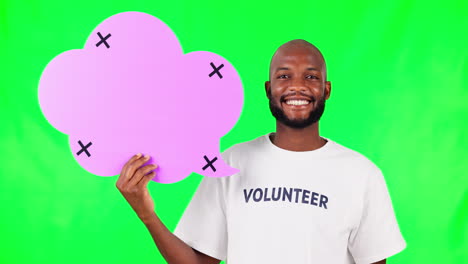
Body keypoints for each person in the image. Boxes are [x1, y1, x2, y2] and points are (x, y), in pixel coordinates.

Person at [116, 39, 406, 264]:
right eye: (284, 76)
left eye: (311, 77)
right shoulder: (232, 163)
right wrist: (147, 214)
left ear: (327, 89)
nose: (296, 86)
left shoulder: (361, 174)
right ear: (268, 89)